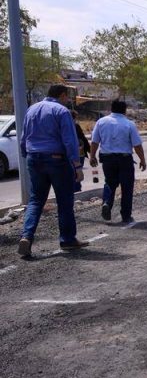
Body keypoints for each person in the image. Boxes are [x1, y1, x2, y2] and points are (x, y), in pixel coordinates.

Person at [17, 84, 89, 258]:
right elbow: (70, 141)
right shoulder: (61, 111)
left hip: (34, 158)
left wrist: (26, 154)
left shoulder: (32, 110)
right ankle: (67, 240)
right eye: (67, 97)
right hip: (57, 159)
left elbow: (23, 136)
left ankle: (26, 236)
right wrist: (77, 166)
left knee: (36, 200)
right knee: (64, 200)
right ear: (62, 95)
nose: (68, 101)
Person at [89, 100, 146, 224]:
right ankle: (126, 215)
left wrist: (92, 156)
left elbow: (94, 141)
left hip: (107, 158)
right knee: (127, 187)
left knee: (109, 183)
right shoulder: (129, 124)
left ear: (111, 108)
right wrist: (142, 160)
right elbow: (137, 145)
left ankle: (107, 203)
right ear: (124, 110)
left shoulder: (101, 122)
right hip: (124, 159)